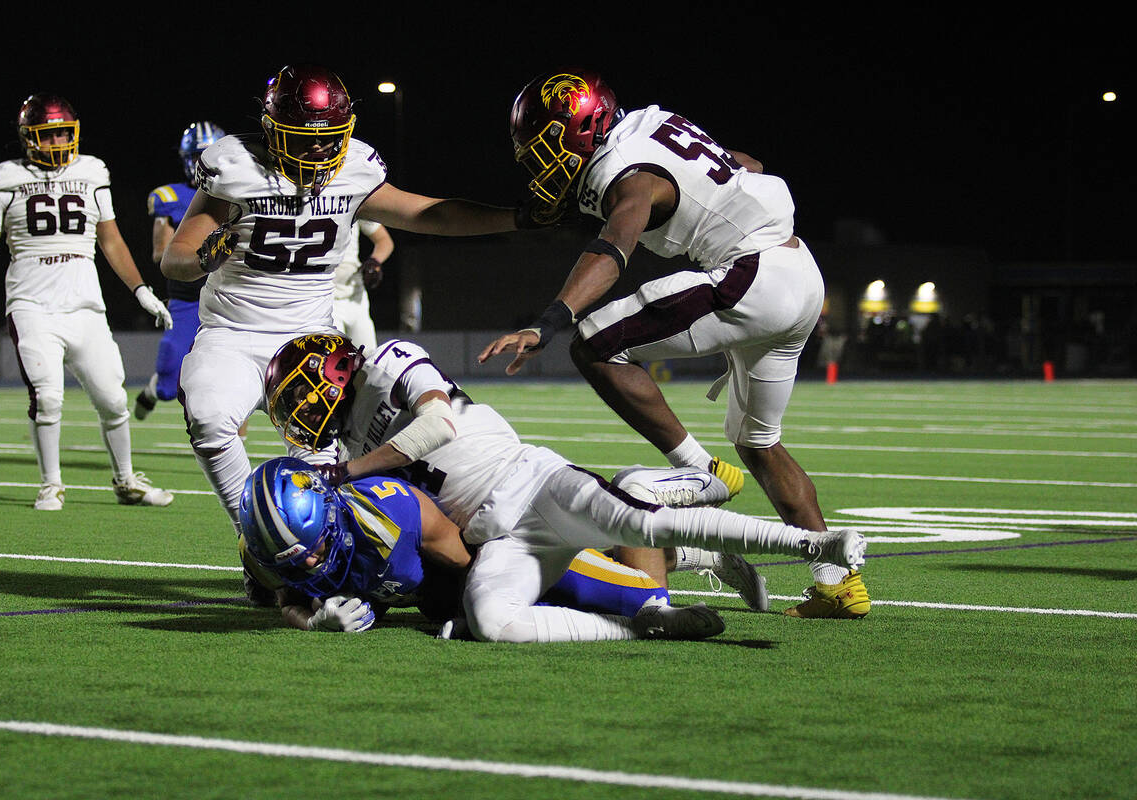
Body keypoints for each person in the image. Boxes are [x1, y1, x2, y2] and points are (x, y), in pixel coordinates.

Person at [477, 70, 869, 618]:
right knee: (758, 442)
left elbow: (615, 245)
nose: (540, 163)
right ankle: (838, 585)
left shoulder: (626, 171)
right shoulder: (651, 126)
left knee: (592, 344)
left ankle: (700, 469)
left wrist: (549, 320)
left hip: (752, 274)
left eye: (546, 146)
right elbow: (748, 164)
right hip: (801, 272)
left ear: (584, 127)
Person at [262, 333, 865, 642]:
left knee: (642, 522)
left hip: (532, 481)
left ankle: (819, 546)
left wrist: (355, 470)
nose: (295, 412)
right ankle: (643, 623)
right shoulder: (345, 448)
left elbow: (439, 421)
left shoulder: (388, 362)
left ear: (329, 373)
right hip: (496, 535)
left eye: (295, 396)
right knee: (492, 620)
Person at [160, 63, 541, 530]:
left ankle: (314, 550)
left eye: (330, 135)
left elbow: (428, 214)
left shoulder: (354, 172)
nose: (320, 146)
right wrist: (203, 258)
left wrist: (517, 218)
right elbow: (174, 257)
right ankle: (256, 538)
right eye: (305, 135)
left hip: (310, 341)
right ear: (273, 130)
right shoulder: (237, 167)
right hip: (234, 332)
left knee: (318, 461)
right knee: (208, 417)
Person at [0, 93, 174, 511]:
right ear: (29, 138)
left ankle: (126, 481)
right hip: (32, 305)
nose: (58, 141)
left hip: (85, 304)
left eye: (64, 133)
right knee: (48, 397)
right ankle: (52, 484)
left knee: (114, 399)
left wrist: (141, 290)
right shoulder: (5, 176)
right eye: (49, 135)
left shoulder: (91, 170)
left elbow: (110, 239)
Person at [238, 456, 725, 640]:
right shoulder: (272, 552)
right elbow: (289, 596)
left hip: (490, 543)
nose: (312, 563)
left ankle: (642, 489)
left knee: (640, 601)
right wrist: (313, 621)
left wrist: (476, 610)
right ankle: (686, 555)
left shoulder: (392, 515)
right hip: (434, 591)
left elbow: (475, 558)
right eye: (296, 560)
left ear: (332, 512)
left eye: (316, 548)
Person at [133, 121, 228, 423]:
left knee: (232, 374)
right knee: (170, 380)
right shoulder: (170, 197)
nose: (203, 163)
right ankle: (152, 390)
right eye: (197, 156)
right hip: (188, 297)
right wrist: (202, 253)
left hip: (230, 293)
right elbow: (161, 253)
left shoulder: (239, 191)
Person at [332, 218, 394, 352]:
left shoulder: (352, 199)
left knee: (368, 359)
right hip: (324, 295)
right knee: (334, 358)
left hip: (355, 294)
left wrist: (374, 262)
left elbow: (384, 240)